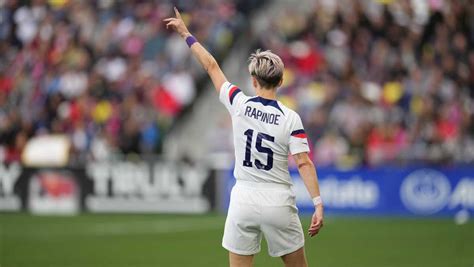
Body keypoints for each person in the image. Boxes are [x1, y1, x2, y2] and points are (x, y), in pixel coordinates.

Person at [165, 8, 324, 267]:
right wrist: (317, 203)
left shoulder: (238, 103)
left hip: (243, 200)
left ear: (253, 80)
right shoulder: (290, 118)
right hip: (278, 201)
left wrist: (186, 33)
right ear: (281, 80)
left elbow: (211, 65)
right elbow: (304, 162)